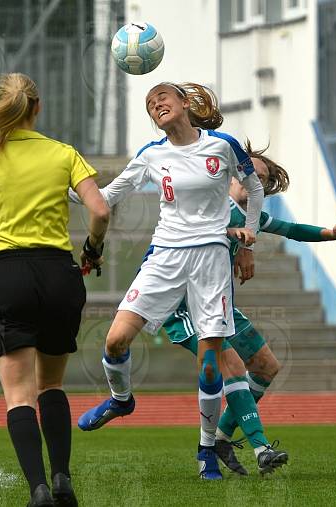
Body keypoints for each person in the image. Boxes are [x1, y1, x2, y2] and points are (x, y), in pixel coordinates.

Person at [75, 82, 278, 480]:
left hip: (211, 259)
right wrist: (60, 187)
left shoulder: (222, 145)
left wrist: (250, 237)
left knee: (210, 364)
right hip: (165, 257)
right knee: (115, 340)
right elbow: (109, 195)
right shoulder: (152, 155)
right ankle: (120, 400)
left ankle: (206, 450)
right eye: (151, 104)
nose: (157, 104)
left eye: (163, 98)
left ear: (184, 104)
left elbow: (253, 186)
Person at [0, 73, 110, 507]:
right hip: (60, 274)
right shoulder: (63, 153)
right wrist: (92, 250)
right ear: (37, 108)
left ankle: (37, 489)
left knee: (18, 394)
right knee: (51, 386)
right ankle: (62, 479)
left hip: (9, 276)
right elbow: (99, 209)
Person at [163, 141, 336, 475]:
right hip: (183, 304)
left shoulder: (249, 217)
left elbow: (291, 229)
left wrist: (330, 234)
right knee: (234, 365)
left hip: (218, 305)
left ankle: (221, 438)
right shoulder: (207, 200)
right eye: (245, 169)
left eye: (260, 177)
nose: (250, 176)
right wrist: (237, 242)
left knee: (266, 367)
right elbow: (188, 230)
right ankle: (260, 448)